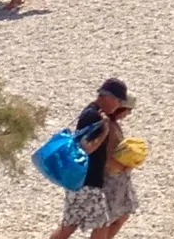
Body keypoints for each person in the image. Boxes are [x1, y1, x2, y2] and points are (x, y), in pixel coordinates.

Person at [52, 79, 132, 239]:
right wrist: (104, 132)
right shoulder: (93, 115)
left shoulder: (93, 112)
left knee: (69, 225)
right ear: (107, 97)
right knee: (101, 225)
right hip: (87, 182)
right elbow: (84, 148)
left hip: (81, 182)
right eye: (118, 101)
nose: (118, 105)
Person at [100, 101, 141, 238]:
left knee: (121, 216)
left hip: (119, 177)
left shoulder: (114, 125)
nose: (128, 114)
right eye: (128, 110)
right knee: (109, 219)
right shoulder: (110, 127)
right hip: (113, 178)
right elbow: (109, 157)